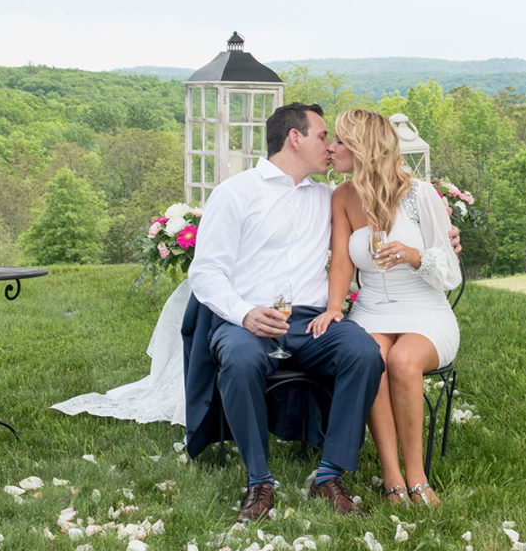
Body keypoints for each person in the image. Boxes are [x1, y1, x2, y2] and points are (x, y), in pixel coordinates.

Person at [183, 102, 385, 522]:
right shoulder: (235, 193)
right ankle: (259, 482)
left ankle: (329, 475)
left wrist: (444, 236)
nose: (330, 146)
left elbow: (384, 216)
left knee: (364, 352)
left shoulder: (329, 198)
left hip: (310, 319)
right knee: (239, 360)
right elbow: (205, 273)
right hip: (247, 321)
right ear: (295, 138)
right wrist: (244, 314)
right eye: (323, 136)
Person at [310, 108, 462, 508]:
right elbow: (343, 261)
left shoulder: (421, 195)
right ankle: (392, 480)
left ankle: (418, 478)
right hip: (373, 310)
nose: (331, 148)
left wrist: (414, 256)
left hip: (425, 310)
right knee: (371, 358)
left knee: (404, 361)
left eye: (340, 141)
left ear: (363, 148)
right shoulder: (342, 197)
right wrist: (333, 307)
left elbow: (450, 271)